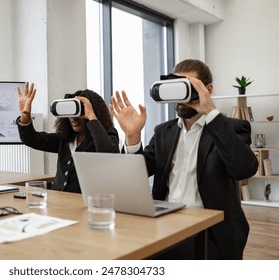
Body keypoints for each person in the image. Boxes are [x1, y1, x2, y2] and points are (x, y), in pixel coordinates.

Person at [109, 59, 258, 259]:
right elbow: (136, 175)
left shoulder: (232, 128)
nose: (181, 97)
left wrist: (211, 113)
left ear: (207, 89)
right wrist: (133, 137)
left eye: (187, 87)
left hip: (211, 231)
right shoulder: (164, 131)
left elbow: (244, 169)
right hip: (163, 225)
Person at [16, 82, 119, 193]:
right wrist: (25, 115)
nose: (73, 119)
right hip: (58, 200)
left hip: (84, 203)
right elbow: (31, 139)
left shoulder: (107, 134)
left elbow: (110, 156)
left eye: (78, 113)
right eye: (69, 114)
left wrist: (92, 118)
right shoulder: (66, 138)